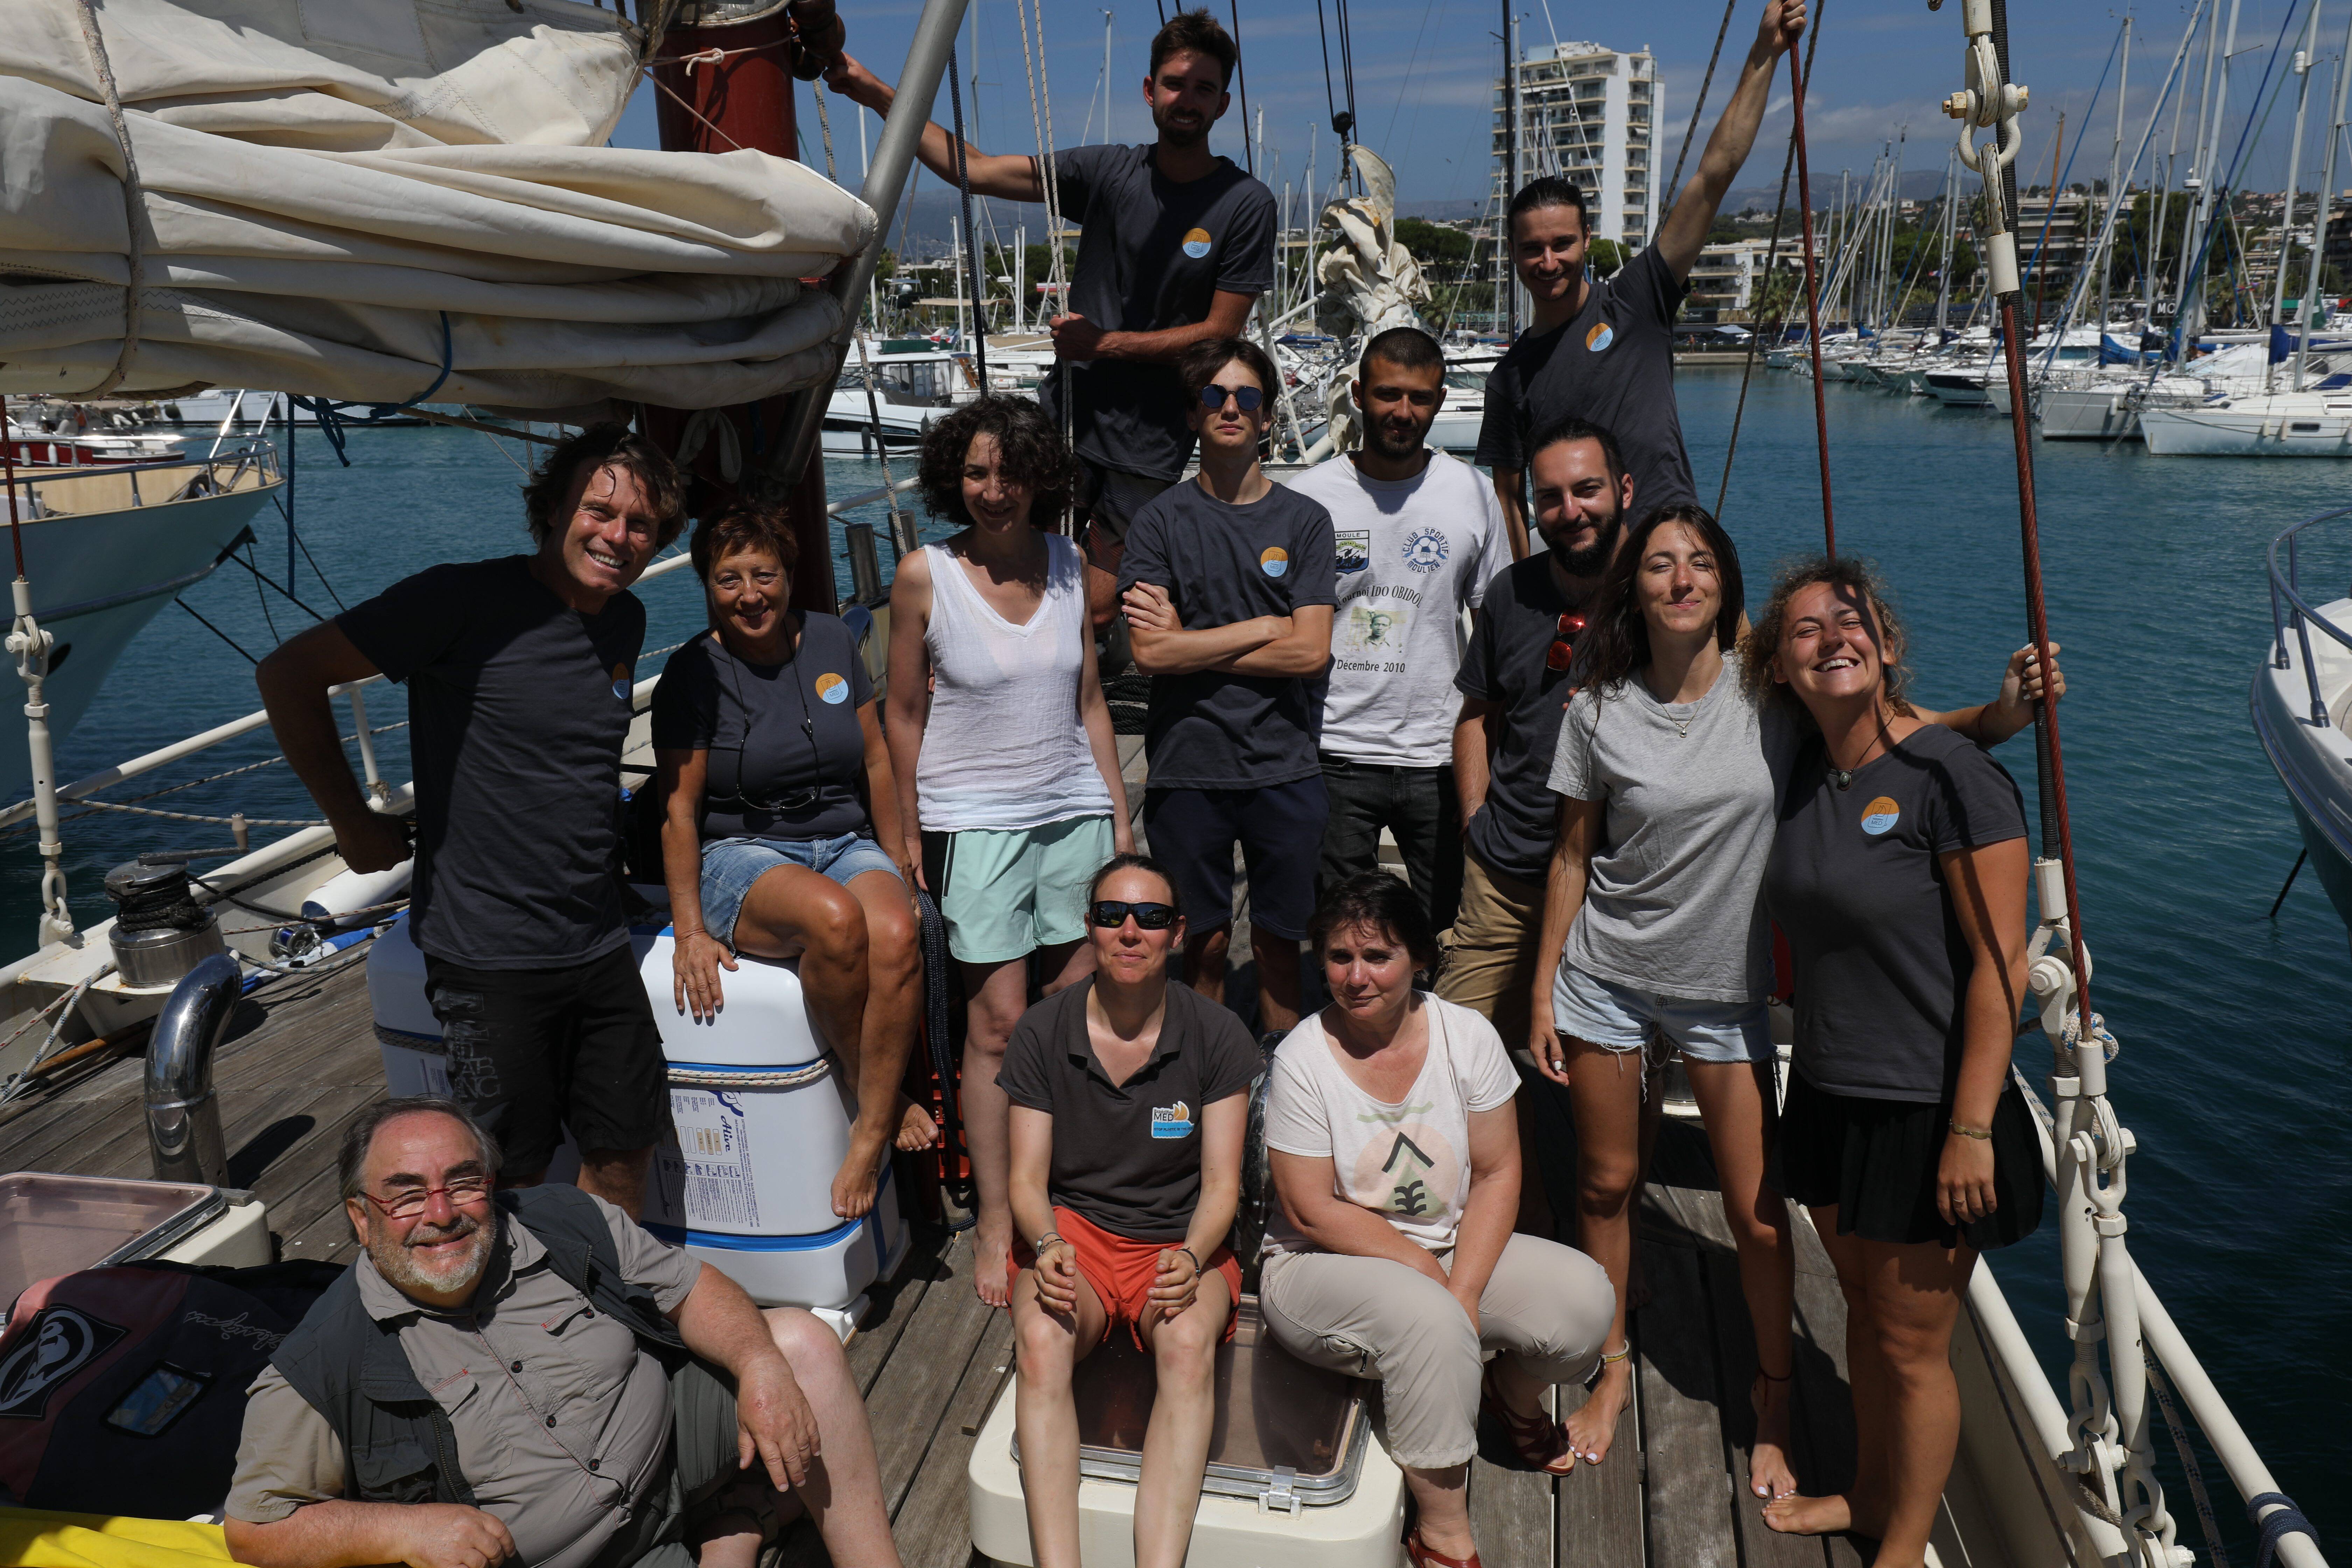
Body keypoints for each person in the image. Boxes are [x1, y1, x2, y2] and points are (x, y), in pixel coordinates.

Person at [1523, 506, 2063, 1488]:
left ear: (1725, 587)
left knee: (1758, 1212)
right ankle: (1608, 1368)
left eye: (1698, 563)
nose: (1680, 578)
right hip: (1602, 976)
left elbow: (1903, 729)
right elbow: (1572, 854)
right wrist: (1541, 987)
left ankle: (1773, 1392)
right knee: (1604, 1186)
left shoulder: (1768, 694)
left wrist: (2001, 720)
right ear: (1633, 590)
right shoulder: (1597, 706)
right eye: (1657, 565)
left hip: (1719, 990)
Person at [257, 425, 681, 1218]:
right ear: (554, 509)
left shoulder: (625, 621)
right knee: (507, 1170)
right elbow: (288, 673)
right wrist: (351, 820)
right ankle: (518, 1324)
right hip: (489, 954)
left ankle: (598, 1299)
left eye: (641, 525)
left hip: (595, 935)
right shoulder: (460, 600)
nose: (617, 536)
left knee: (626, 1143)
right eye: (599, 511)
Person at [222, 1097, 904, 1568]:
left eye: (463, 1182)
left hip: (669, 1456)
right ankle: (738, 1523)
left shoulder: (558, 1215)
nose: (441, 1212)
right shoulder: (320, 1357)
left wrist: (758, 1363)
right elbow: (255, 1527)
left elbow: (693, 1287)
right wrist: (404, 1526)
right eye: (404, 1193)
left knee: (799, 1345)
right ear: (361, 1217)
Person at [1744, 558, 2045, 1566]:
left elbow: (2003, 968)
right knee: (1868, 1320)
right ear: (1779, 670)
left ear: (1886, 641)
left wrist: (1970, 1128)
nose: (1833, 637)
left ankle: (1903, 1547)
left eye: (1852, 620)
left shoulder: (1956, 781)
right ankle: (1873, 1499)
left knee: (1915, 1350)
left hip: (1926, 1109)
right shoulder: (1807, 771)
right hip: (1828, 1090)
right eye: (1805, 630)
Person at [824, 8, 1277, 626]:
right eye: (1175, 83)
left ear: (1223, 104)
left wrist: (1105, 344)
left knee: (1094, 608)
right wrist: (872, 91)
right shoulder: (1108, 172)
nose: (1187, 99)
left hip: (1150, 442)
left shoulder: (1246, 204)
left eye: (1204, 89)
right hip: (1066, 417)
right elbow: (976, 170)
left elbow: (1223, 332)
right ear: (1150, 92)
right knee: (1015, 579)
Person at [1258, 873, 1615, 1568]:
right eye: (1338, 957)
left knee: (1584, 1300)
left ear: (1419, 957)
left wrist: (1467, 1287)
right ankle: (1443, 1529)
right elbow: (1309, 1205)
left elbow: (1498, 1173)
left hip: (1448, 1245)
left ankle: (1509, 1395)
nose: (1356, 976)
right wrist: (1433, 1278)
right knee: (1428, 1318)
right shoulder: (1302, 1056)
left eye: (1378, 956)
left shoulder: (1468, 1035)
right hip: (1316, 1264)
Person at [885, 398, 1136, 1307]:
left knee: (1071, 1012)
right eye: (978, 473)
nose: (994, 491)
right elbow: (903, 713)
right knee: (994, 1026)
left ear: (1040, 478)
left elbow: (1092, 702)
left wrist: (1118, 813)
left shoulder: (1071, 565)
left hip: (1071, 811)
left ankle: (1057, 1188)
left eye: (1011, 472)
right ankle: (997, 1212)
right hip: (975, 822)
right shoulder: (926, 576)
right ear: (956, 476)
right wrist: (909, 828)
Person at [653, 497, 931, 1223]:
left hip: (841, 839)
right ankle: (877, 1109)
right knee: (836, 921)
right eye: (728, 579)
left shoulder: (835, 639)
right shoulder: (692, 672)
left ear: (790, 572)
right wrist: (689, 930)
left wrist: (899, 854)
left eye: (764, 574)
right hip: (741, 851)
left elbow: (873, 758)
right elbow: (679, 811)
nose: (751, 594)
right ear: (708, 587)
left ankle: (868, 1112)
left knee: (898, 930)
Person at [997, 852, 1255, 1568]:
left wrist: (1193, 1255)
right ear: (1090, 929)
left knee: (1184, 1344)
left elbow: (1222, 1183)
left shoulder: (1218, 1034)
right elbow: (1026, 1177)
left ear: (1177, 932)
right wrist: (1045, 1242)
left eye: (1150, 917)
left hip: (1178, 1235)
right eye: (1113, 915)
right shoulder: (1043, 1030)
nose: (1130, 930)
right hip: (1074, 1231)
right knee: (1043, 1340)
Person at [1475, 0, 1807, 554]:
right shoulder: (1508, 381)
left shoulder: (1637, 300)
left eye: (1562, 244)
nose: (1549, 261)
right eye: (1533, 249)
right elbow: (1510, 500)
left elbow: (1714, 175)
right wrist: (1525, 587)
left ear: (1587, 241)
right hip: (1585, 581)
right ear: (1513, 255)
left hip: (1675, 557)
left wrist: (1764, 52)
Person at [1118, 337, 1336, 1039]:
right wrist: (1268, 625)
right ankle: (1210, 1077)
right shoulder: (1159, 522)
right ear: (1193, 414)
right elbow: (1149, 651)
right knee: (1203, 941)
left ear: (1269, 417)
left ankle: (1284, 1084)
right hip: (1189, 766)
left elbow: (1310, 653)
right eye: (1215, 396)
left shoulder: (1306, 522)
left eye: (1247, 397)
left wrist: (1194, 646)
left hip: (1285, 766)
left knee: (1279, 942)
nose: (1231, 408)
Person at [1283, 326, 1509, 932]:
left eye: (1420, 398)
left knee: (1449, 928)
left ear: (1439, 400)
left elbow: (1499, 630)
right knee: (1344, 931)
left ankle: (1442, 1029)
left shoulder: (1471, 493)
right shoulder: (1308, 498)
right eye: (1387, 395)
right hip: (1335, 753)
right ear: (1358, 393)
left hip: (1440, 755)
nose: (1402, 413)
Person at [1439, 417, 1630, 1054]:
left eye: (1587, 490)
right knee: (1454, 1060)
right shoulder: (1510, 593)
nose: (1570, 511)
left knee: (1606, 1084)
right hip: (1504, 885)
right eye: (1550, 497)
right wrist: (1475, 817)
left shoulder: (1667, 592)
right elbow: (1477, 715)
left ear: (1625, 490)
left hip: (1617, 896)